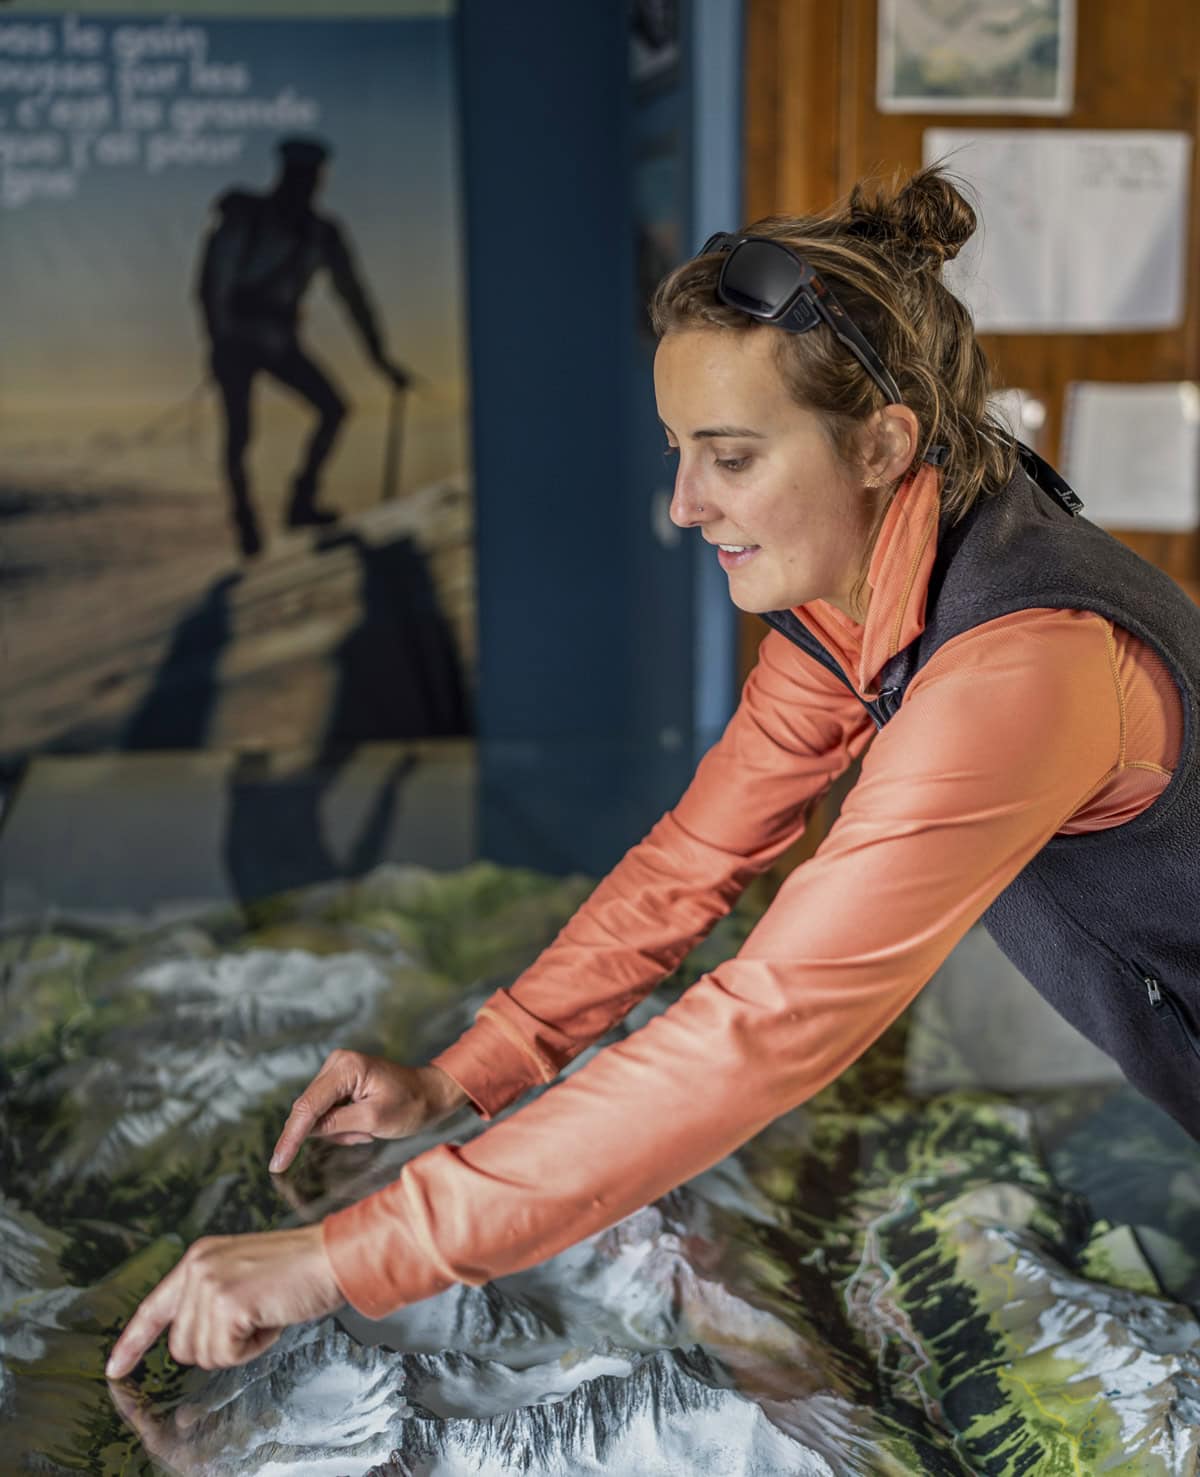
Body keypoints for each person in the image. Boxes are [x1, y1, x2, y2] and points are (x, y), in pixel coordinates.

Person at [107, 163, 1199, 1378]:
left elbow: (758, 1029)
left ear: (886, 444)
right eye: (680, 449)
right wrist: (467, 1071)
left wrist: (337, 1256)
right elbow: (691, 861)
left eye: (730, 458)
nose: (683, 504)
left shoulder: (1022, 665)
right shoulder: (871, 599)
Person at [196, 134, 412, 558]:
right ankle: (253, 520)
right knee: (244, 432)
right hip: (243, 343)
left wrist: (380, 358)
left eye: (312, 177)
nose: (309, 184)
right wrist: (219, 341)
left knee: (327, 410)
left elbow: (354, 297)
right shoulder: (257, 220)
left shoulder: (318, 234)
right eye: (305, 176)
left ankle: (294, 506)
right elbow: (211, 285)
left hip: (264, 342)